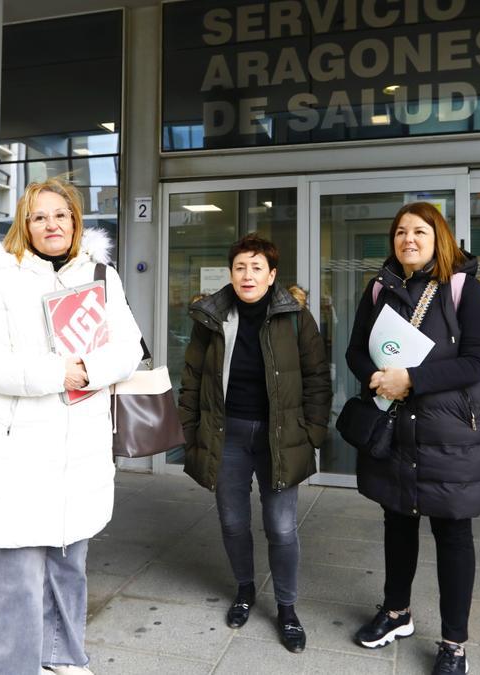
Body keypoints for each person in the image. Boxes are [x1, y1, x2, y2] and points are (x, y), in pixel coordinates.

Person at [0, 178, 143, 675]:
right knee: (18, 572)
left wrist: (88, 370)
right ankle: (15, 668)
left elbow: (129, 347)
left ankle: (63, 658)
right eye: (40, 216)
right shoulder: (2, 279)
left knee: (70, 561)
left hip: (79, 449)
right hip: (19, 447)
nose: (52, 225)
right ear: (25, 224)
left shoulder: (102, 276)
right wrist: (54, 372)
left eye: (60, 215)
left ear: (75, 220)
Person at [346, 202, 480, 675]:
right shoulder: (378, 289)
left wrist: (410, 380)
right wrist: (376, 378)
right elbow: (354, 351)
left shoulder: (464, 289)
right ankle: (396, 613)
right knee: (397, 520)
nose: (408, 240)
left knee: (452, 531)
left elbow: (477, 363)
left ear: (439, 238)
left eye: (419, 232)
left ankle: (454, 644)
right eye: (400, 233)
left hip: (449, 433)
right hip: (396, 426)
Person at [178, 234, 331, 653]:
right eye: (241, 267)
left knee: (281, 527)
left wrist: (312, 432)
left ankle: (287, 608)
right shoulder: (211, 317)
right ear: (231, 273)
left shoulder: (295, 315)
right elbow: (192, 378)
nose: (248, 275)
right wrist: (190, 431)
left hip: (279, 437)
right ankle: (245, 590)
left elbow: (317, 378)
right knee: (232, 522)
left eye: (257, 267)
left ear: (272, 275)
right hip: (226, 434)